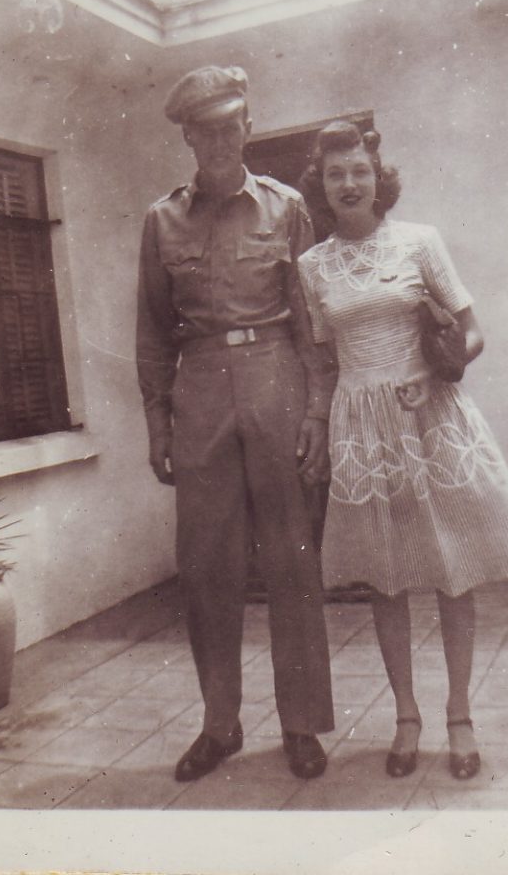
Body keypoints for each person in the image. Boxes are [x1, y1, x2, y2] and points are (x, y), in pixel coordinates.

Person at [297, 121, 508, 780]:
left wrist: (441, 369)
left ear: (378, 177)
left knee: (451, 570)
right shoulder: (311, 266)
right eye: (334, 174)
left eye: (358, 170)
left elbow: (471, 330)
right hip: (364, 429)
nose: (348, 183)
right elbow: (324, 357)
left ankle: (459, 714)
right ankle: (406, 716)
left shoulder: (419, 242)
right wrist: (325, 423)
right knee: (387, 577)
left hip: (429, 418)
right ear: (319, 186)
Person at [136, 65, 335, 783]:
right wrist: (158, 422)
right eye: (205, 128)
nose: (219, 139)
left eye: (231, 125)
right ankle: (220, 724)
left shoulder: (286, 209)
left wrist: (317, 408)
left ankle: (302, 724)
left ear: (247, 128)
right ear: (187, 135)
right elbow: (154, 331)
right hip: (200, 391)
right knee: (206, 569)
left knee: (292, 558)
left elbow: (312, 318)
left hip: (277, 375)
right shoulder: (162, 220)